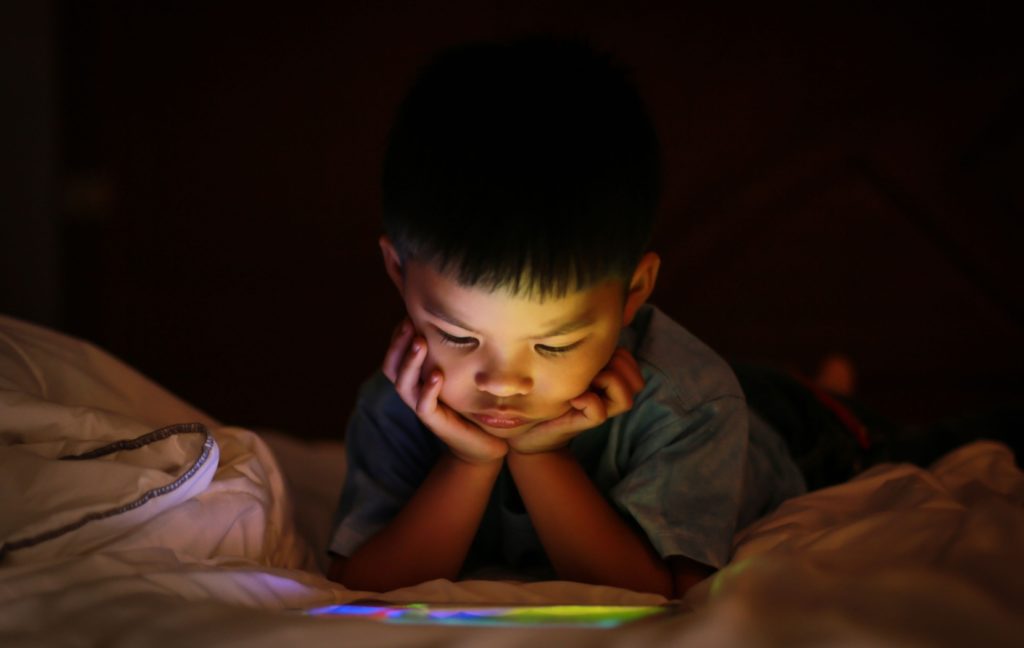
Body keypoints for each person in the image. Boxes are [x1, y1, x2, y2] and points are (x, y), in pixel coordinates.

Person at [325, 37, 806, 598]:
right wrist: (467, 463)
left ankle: (820, 388)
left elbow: (661, 594)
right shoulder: (401, 400)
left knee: (810, 418)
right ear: (398, 271)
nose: (503, 382)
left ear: (635, 292)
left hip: (780, 429)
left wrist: (540, 454)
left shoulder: (694, 405)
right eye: (457, 336)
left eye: (553, 345)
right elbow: (358, 585)